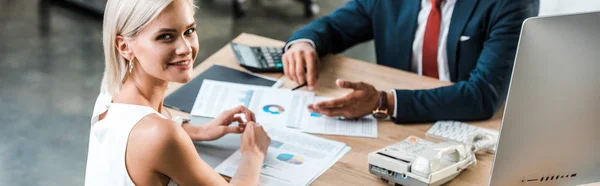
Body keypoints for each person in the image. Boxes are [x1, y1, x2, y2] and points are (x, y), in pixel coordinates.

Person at [85, 0, 271, 185]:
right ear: (125, 46)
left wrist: (200, 130)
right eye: (166, 36)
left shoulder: (110, 94)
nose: (185, 48)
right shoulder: (162, 135)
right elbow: (158, 138)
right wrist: (253, 152)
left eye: (189, 31)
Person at [282, 0, 539, 123]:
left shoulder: (511, 3)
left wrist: (384, 102)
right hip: (398, 124)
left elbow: (482, 96)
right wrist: (304, 43)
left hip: (468, 124)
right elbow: (336, 27)